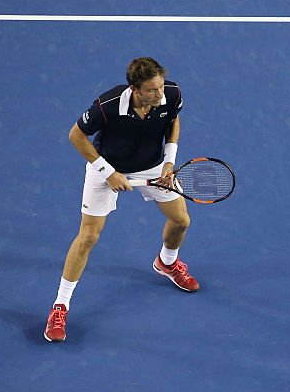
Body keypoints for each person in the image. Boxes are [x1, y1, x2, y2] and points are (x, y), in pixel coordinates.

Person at [45, 57, 199, 342]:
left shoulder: (172, 95)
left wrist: (169, 162)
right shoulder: (107, 106)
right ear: (135, 89)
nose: (160, 95)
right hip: (106, 166)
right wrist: (108, 172)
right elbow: (76, 136)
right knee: (88, 237)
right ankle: (60, 306)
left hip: (153, 166)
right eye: (152, 90)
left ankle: (166, 263)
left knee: (180, 221)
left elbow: (172, 122)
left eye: (161, 87)